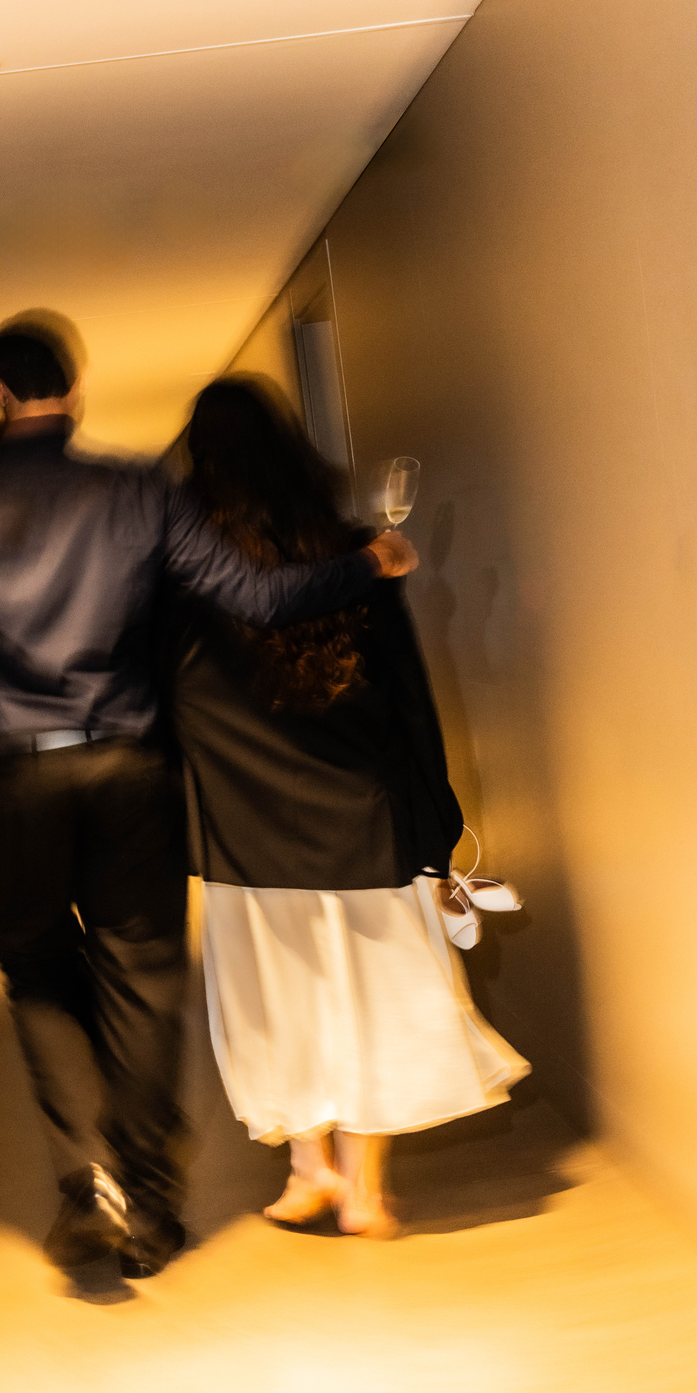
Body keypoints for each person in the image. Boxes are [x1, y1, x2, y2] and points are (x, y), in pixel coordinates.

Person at [0, 316, 417, 1280]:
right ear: (75, 387)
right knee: (141, 976)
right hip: (129, 770)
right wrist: (367, 565)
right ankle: (152, 1203)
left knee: (39, 973)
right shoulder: (139, 492)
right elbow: (259, 599)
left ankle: (86, 1177)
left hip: (9, 781)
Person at [167, 375, 528, 1238]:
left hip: (245, 824)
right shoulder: (357, 555)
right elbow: (407, 696)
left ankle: (309, 1171)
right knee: (378, 994)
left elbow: (165, 700)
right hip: (360, 810)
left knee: (276, 1000)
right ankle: (362, 1188)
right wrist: (436, 817)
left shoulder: (184, 579)